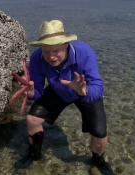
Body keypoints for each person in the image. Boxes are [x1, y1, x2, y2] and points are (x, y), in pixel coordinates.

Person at [25, 19, 114, 174]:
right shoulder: (37, 58)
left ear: (66, 45)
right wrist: (32, 93)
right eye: (46, 51)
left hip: (84, 91)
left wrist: (83, 91)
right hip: (58, 89)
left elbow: (98, 87)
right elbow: (37, 90)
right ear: (41, 48)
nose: (51, 57)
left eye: (56, 51)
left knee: (100, 133)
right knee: (32, 119)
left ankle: (98, 159)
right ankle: (35, 154)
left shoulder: (84, 52)